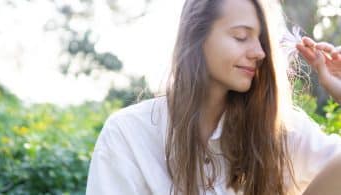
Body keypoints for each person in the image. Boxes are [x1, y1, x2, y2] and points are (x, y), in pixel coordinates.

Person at [85, 0, 341, 194]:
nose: (260, 52)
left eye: (261, 40)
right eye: (241, 37)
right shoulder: (128, 136)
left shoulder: (282, 130)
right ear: (197, 37)